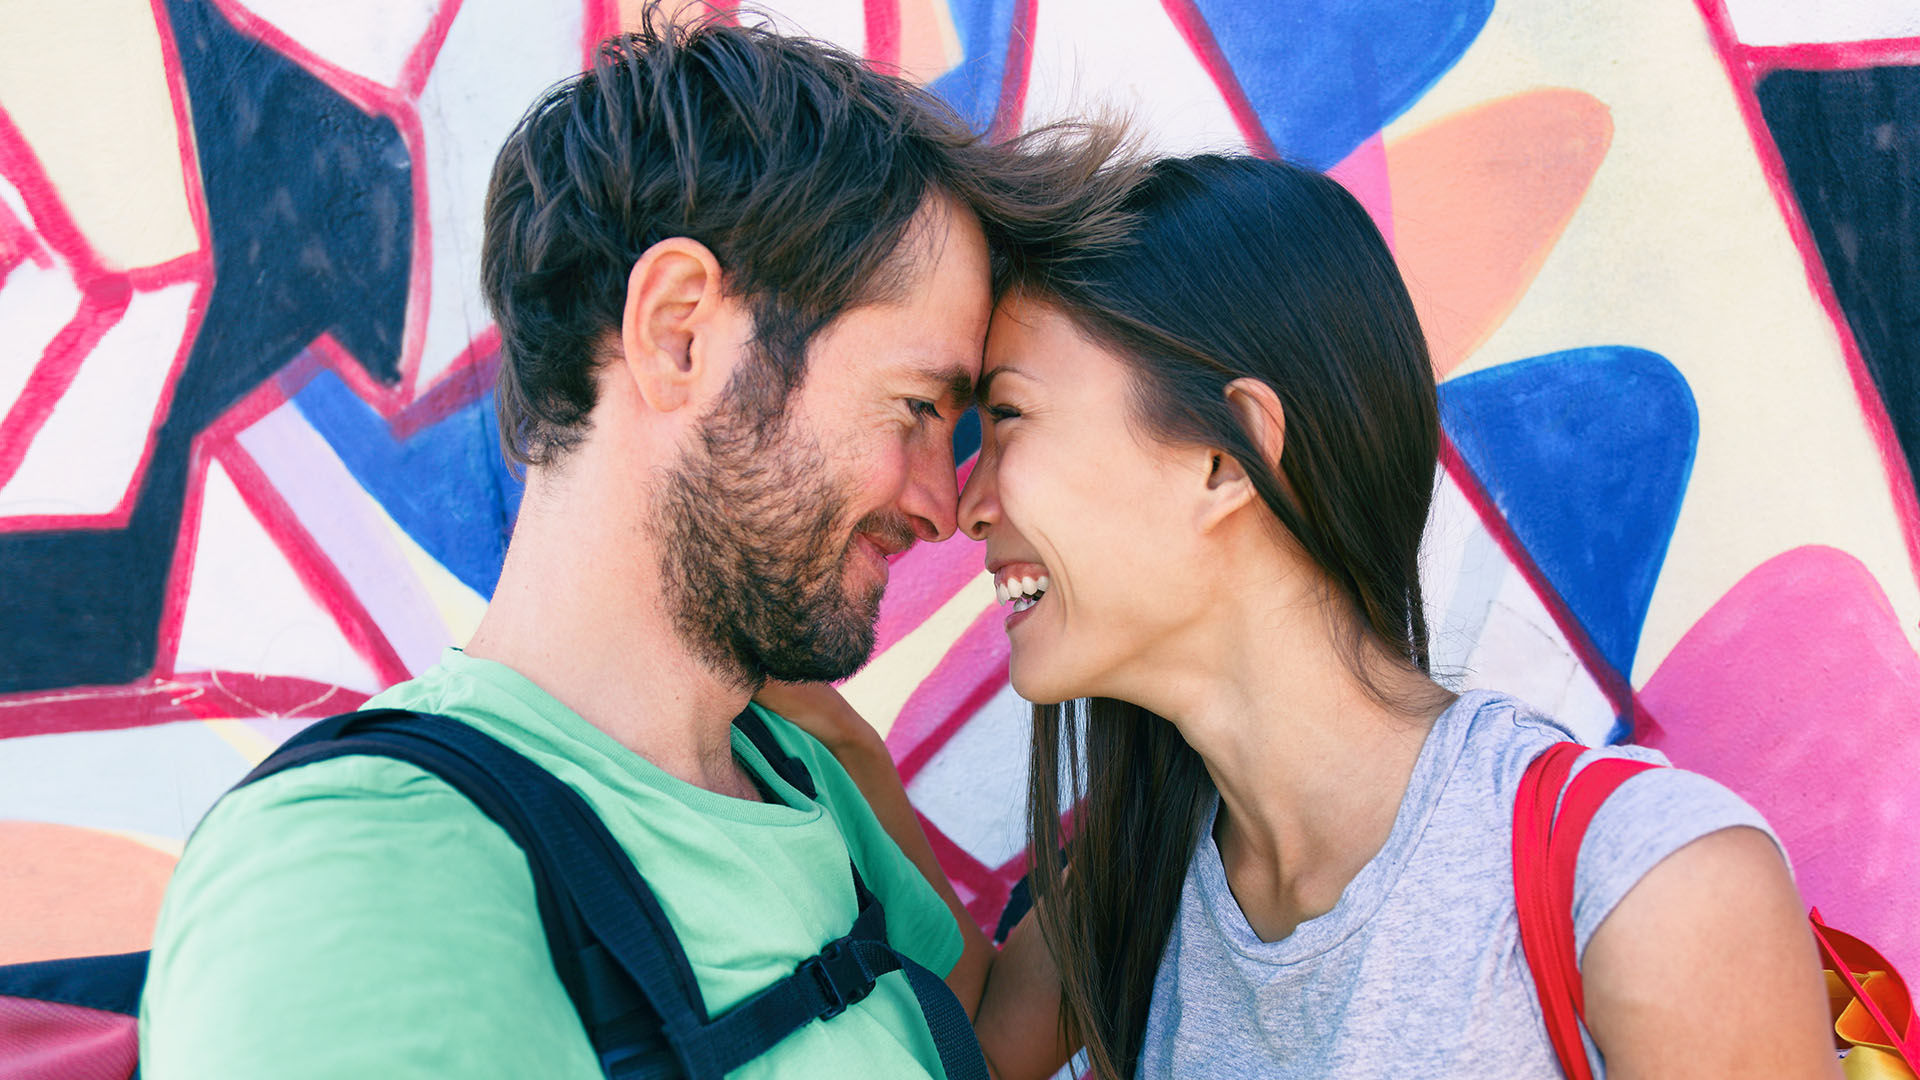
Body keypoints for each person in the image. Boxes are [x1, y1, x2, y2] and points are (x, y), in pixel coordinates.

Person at [137, 10, 1133, 1077]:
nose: (942, 505)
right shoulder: (358, 873)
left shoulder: (791, 771)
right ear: (679, 332)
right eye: (917, 407)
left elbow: (982, 1035)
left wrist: (1211, 685)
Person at [762, 154, 1840, 1078]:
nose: (966, 505)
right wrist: (839, 740)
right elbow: (987, 1049)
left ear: (1230, 460)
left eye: (1007, 419)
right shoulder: (1136, 876)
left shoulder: (1659, 891)